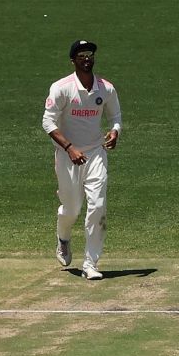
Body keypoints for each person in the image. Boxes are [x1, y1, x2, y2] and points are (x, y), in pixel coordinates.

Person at [41, 39, 122, 280]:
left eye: (90, 54)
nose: (87, 58)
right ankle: (63, 238)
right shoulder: (61, 87)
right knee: (72, 209)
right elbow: (47, 122)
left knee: (97, 206)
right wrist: (69, 148)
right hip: (68, 156)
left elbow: (115, 115)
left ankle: (90, 263)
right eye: (82, 55)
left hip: (96, 153)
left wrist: (115, 131)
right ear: (73, 60)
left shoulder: (105, 88)